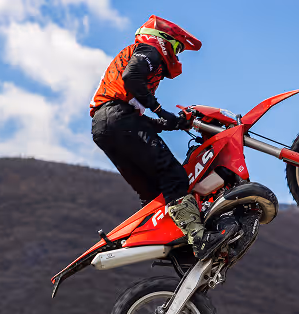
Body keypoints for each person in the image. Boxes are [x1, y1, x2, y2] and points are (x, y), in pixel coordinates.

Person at [89, 15, 238, 260]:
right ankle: (199, 238)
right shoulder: (149, 51)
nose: (177, 55)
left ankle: (169, 246)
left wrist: (168, 123)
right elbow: (131, 77)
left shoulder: (138, 62)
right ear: (163, 39)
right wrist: (159, 110)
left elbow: (127, 115)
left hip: (104, 127)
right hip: (117, 119)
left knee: (153, 194)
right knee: (173, 175)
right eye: (177, 48)